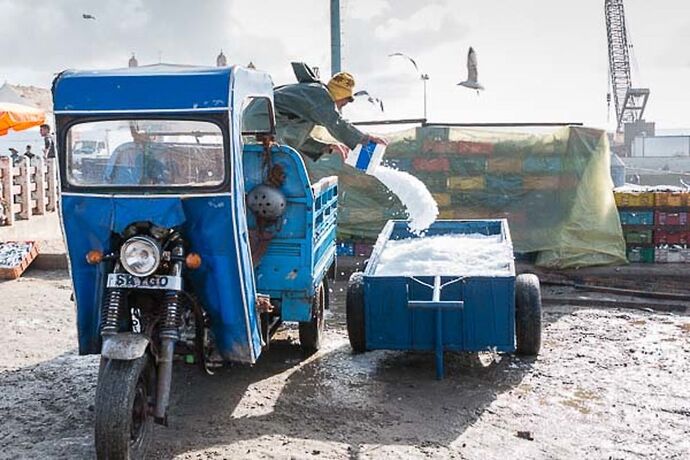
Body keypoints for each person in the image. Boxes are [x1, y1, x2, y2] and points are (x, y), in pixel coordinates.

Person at [245, 71, 387, 161]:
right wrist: (365, 138)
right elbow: (336, 123)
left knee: (274, 158)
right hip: (261, 119)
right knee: (274, 162)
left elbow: (297, 138)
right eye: (344, 103)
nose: (342, 107)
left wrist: (328, 147)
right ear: (340, 96)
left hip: (257, 118)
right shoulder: (321, 97)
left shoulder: (312, 101)